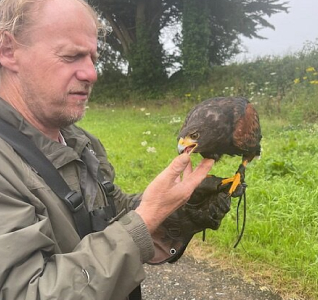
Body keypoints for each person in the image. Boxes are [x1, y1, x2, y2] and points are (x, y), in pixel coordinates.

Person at [0, 0, 238, 299]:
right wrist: (147, 216)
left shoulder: (80, 142)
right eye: (72, 55)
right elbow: (27, 292)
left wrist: (178, 210)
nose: (91, 73)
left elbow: (107, 219)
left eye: (92, 58)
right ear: (8, 51)